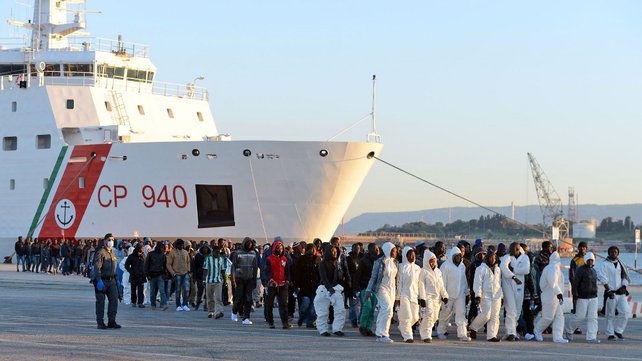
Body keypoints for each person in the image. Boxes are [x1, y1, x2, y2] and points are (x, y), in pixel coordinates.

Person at [365, 242, 398, 343]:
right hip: (381, 287)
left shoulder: (395, 262)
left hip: (391, 289)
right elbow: (373, 277)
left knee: (389, 311)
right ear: (388, 251)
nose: (395, 252)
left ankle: (380, 334)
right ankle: (383, 334)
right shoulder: (379, 262)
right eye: (393, 250)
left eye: (396, 251)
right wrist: (368, 290)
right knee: (386, 308)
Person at [314, 244, 349, 337]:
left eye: (336, 251)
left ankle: (337, 329)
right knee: (322, 311)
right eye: (332, 251)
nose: (334, 253)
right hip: (324, 289)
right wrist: (329, 287)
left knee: (340, 310)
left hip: (336, 289)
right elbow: (323, 277)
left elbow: (341, 276)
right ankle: (323, 330)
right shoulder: (323, 263)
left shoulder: (337, 263)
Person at [564, 252, 600, 343]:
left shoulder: (594, 271)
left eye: (592, 260)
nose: (590, 262)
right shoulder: (580, 270)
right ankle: (569, 330)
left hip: (593, 297)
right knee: (580, 317)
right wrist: (575, 296)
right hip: (582, 297)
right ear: (585, 260)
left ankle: (591, 337)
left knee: (593, 317)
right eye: (588, 260)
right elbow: (575, 284)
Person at [437, 246, 471, 341]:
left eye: (460, 256)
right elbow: (442, 282)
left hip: (460, 295)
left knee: (461, 314)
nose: (458, 258)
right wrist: (444, 296)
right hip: (448, 296)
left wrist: (466, 293)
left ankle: (462, 334)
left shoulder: (462, 266)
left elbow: (464, 281)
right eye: (456, 256)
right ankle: (441, 331)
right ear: (452, 256)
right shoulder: (445, 266)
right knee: (445, 313)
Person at [533, 251, 567, 343]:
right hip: (550, 296)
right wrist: (559, 293)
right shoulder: (553, 268)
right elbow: (553, 282)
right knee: (548, 317)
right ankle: (537, 331)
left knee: (559, 317)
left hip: (555, 297)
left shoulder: (552, 268)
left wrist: (559, 294)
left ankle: (558, 336)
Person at [598, 246, 630, 340]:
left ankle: (618, 330)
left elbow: (625, 276)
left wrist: (624, 286)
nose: (614, 253)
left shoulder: (621, 264)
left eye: (615, 252)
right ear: (609, 253)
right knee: (610, 314)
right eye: (612, 252)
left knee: (625, 312)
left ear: (618, 253)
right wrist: (608, 291)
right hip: (611, 293)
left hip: (621, 293)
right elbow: (602, 278)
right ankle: (610, 334)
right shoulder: (604, 264)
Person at [469, 251, 502, 342]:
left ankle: (492, 335)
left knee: (495, 316)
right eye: (491, 257)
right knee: (486, 315)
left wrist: (501, 296)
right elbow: (477, 283)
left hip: (496, 295)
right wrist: (478, 295)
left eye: (494, 258)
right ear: (486, 258)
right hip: (485, 295)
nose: (493, 259)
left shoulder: (497, 269)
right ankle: (473, 327)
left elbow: (499, 283)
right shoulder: (481, 269)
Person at [500, 242, 530, 341]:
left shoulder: (525, 258)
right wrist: (513, 276)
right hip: (508, 286)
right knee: (510, 309)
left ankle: (511, 331)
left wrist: (514, 269)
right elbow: (503, 268)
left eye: (513, 249)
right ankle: (512, 333)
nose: (511, 251)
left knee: (517, 310)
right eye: (510, 249)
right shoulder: (506, 257)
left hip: (519, 287)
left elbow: (526, 270)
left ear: (518, 249)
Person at [396, 247, 425, 343]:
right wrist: (398, 298)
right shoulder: (401, 267)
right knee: (406, 316)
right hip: (404, 295)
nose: (413, 257)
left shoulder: (417, 268)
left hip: (414, 295)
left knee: (415, 317)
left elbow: (420, 284)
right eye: (410, 255)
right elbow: (399, 283)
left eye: (414, 255)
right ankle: (408, 336)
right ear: (405, 256)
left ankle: (402, 326)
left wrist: (421, 297)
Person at [419, 249, 448, 343]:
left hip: (437, 298)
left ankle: (424, 328)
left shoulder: (438, 272)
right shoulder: (423, 271)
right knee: (430, 314)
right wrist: (422, 298)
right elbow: (421, 285)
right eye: (430, 261)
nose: (432, 263)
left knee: (435, 317)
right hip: (428, 297)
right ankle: (426, 335)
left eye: (434, 260)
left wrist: (445, 295)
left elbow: (441, 285)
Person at [93, 233, 121, 329]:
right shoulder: (101, 252)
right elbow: (97, 267)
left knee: (114, 301)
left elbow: (114, 268)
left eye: (112, 240)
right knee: (100, 302)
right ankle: (100, 323)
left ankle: (111, 321)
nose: (111, 242)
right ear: (104, 241)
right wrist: (98, 279)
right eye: (109, 239)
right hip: (102, 280)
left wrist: (117, 280)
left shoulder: (113, 253)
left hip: (112, 281)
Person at [263, 239, 292, 329]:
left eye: (281, 248)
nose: (280, 250)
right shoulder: (269, 259)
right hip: (272, 285)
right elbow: (266, 272)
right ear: (274, 248)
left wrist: (287, 281)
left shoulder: (285, 259)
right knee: (269, 304)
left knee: (283, 304)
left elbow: (287, 272)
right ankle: (270, 322)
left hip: (282, 285)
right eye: (278, 248)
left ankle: (285, 322)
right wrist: (270, 280)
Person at [231, 237, 258, 325]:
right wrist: (233, 280)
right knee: (239, 298)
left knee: (248, 299)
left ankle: (246, 318)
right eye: (247, 243)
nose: (249, 245)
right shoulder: (237, 253)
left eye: (250, 243)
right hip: (240, 279)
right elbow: (233, 267)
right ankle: (234, 311)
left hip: (249, 279)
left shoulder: (253, 253)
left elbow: (255, 267)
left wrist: (254, 279)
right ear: (244, 243)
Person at [294, 243, 321, 328]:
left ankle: (310, 323)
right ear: (306, 250)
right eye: (310, 249)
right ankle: (302, 317)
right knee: (305, 304)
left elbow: (320, 273)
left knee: (313, 307)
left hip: (315, 286)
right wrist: (297, 285)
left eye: (314, 249)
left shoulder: (318, 259)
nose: (312, 251)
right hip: (304, 286)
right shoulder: (301, 259)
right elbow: (297, 274)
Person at [357, 243, 379, 336]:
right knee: (367, 307)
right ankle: (363, 326)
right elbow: (358, 275)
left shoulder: (378, 260)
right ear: (370, 250)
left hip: (374, 289)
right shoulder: (363, 261)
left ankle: (368, 328)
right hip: (365, 288)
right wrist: (358, 289)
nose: (378, 251)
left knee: (372, 309)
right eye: (376, 249)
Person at [166, 239, 191, 311]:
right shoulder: (172, 253)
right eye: (180, 245)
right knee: (178, 290)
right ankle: (178, 305)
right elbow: (168, 264)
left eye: (182, 245)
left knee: (186, 289)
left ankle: (185, 304)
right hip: (177, 274)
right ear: (176, 245)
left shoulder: (185, 252)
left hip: (185, 273)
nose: (181, 246)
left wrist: (188, 271)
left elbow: (188, 262)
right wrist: (173, 273)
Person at [144, 242, 168, 311]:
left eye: (163, 248)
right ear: (158, 247)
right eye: (161, 248)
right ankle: (153, 305)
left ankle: (164, 304)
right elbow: (146, 266)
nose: (162, 249)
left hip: (160, 275)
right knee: (152, 292)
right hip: (152, 276)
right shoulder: (151, 254)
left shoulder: (163, 256)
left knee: (162, 290)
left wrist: (165, 275)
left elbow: (165, 266)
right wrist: (147, 275)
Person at [203, 245, 226, 319]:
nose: (218, 254)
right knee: (210, 298)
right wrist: (204, 280)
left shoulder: (221, 259)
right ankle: (211, 311)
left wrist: (224, 280)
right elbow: (205, 270)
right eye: (216, 252)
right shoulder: (208, 258)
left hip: (218, 281)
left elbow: (223, 270)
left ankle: (218, 312)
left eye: (219, 253)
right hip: (209, 281)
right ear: (213, 252)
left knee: (218, 297)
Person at [467, 247, 486, 326]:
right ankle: (469, 322)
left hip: (484, 289)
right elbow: (471, 278)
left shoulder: (486, 264)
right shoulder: (474, 264)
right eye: (481, 254)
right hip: (475, 289)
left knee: (485, 307)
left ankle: (485, 325)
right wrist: (471, 289)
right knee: (474, 307)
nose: (482, 255)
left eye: (484, 254)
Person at [125, 243, 147, 308]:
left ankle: (140, 303)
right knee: (133, 291)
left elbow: (146, 265)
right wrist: (131, 271)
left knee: (141, 291)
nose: (143, 249)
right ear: (138, 248)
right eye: (142, 248)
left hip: (141, 276)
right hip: (134, 276)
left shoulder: (143, 256)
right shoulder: (131, 256)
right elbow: (126, 265)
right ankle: (133, 302)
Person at [569, 242, 588, 316]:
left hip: (587, 287)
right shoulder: (574, 260)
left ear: (586, 249)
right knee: (576, 306)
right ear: (578, 248)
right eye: (581, 247)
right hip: (578, 287)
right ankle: (575, 326)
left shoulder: (589, 259)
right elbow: (572, 275)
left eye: (584, 247)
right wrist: (575, 287)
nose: (582, 249)